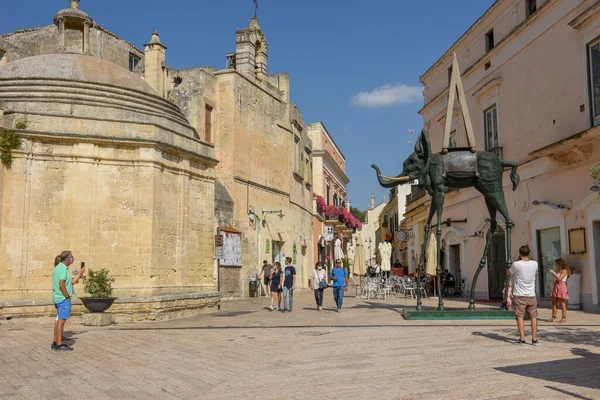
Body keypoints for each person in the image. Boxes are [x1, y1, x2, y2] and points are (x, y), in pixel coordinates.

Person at [506, 245, 539, 346]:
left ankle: (522, 338)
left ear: (520, 254)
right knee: (533, 317)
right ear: (529, 253)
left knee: (520, 316)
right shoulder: (535, 263)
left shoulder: (516, 264)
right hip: (531, 294)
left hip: (520, 295)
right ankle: (534, 339)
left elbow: (508, 273)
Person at [52, 251, 84, 351]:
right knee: (62, 321)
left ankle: (56, 340)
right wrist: (67, 296)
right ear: (67, 258)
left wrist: (80, 274)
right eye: (71, 257)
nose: (72, 258)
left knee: (58, 320)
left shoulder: (58, 268)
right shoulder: (62, 269)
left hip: (57, 298)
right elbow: (62, 284)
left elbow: (71, 282)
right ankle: (59, 344)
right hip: (63, 299)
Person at [548, 258, 571, 323]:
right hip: (556, 286)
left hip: (561, 286)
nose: (556, 265)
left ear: (560, 264)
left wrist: (553, 273)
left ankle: (563, 318)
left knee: (562, 303)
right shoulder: (559, 270)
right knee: (554, 302)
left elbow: (559, 279)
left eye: (556, 264)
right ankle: (553, 316)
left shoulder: (565, 270)